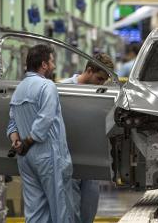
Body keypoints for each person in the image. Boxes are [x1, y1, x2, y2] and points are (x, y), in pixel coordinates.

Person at [7, 44, 73, 223]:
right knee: (60, 207)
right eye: (52, 62)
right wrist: (28, 141)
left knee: (35, 210)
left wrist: (17, 142)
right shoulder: (47, 86)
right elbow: (45, 119)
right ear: (44, 64)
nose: (53, 66)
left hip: (25, 159)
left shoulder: (18, 89)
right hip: (47, 157)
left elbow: (11, 124)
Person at [60, 53, 114, 223]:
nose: (101, 84)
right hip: (69, 161)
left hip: (91, 163)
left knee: (88, 212)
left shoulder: (99, 93)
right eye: (99, 79)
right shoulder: (62, 89)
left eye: (104, 81)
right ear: (89, 71)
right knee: (71, 212)